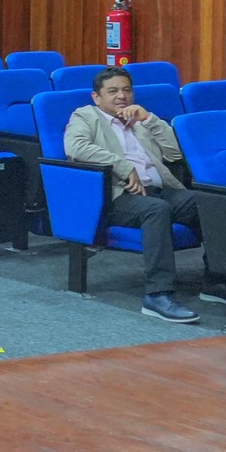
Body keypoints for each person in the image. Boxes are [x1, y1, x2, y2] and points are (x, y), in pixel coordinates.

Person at [62, 67, 203, 324]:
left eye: (126, 90)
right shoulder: (85, 116)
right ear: (96, 97)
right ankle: (157, 294)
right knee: (156, 209)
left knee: (209, 203)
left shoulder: (139, 119)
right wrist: (125, 167)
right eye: (112, 91)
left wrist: (149, 120)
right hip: (116, 196)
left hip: (157, 189)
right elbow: (76, 148)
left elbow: (174, 154)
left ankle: (217, 280)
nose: (121, 96)